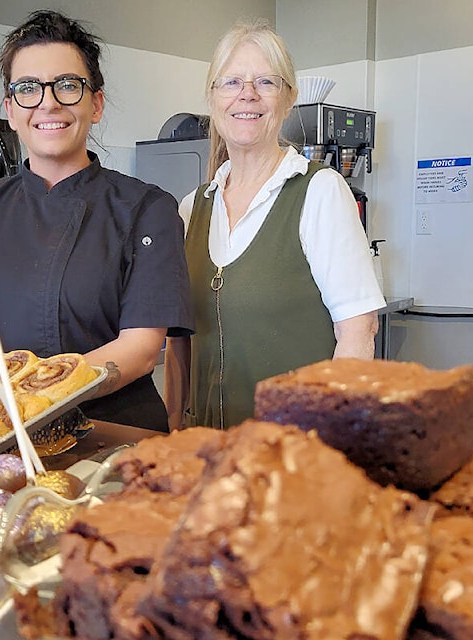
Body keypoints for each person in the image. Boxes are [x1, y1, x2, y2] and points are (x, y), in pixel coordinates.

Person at [0, 10, 192, 431]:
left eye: (68, 86)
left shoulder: (147, 209)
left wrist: (32, 396)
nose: (48, 102)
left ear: (96, 104)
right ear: (11, 110)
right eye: (28, 89)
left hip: (112, 434)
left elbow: (141, 348)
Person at [164, 21, 385, 431]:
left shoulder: (319, 191)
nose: (247, 94)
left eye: (265, 81)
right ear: (212, 98)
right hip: (206, 450)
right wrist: (173, 431)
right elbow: (180, 344)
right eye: (231, 82)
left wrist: (323, 446)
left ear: (289, 99)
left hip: (291, 452)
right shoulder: (191, 208)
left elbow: (358, 334)